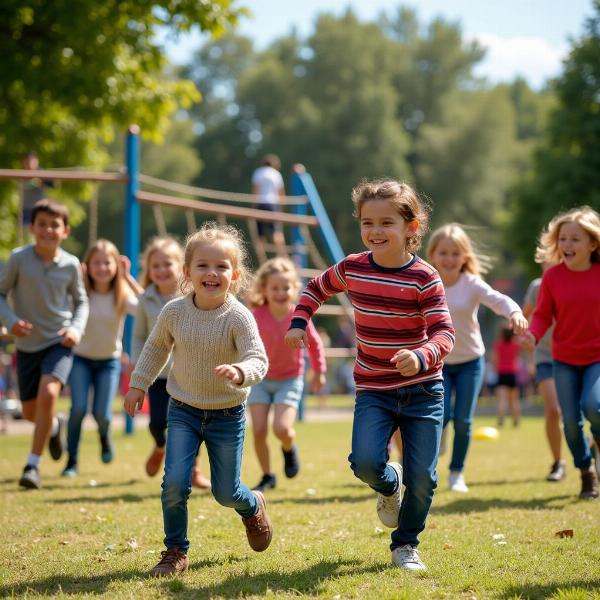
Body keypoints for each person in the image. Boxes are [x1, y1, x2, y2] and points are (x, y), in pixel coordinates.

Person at [285, 179, 455, 571]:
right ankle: (388, 485)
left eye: (386, 223)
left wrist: (422, 354)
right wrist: (299, 322)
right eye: (368, 223)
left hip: (423, 389)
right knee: (364, 462)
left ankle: (405, 545)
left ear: (411, 228)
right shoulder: (353, 268)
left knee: (424, 477)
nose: (375, 231)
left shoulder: (424, 277)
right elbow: (315, 288)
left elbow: (445, 332)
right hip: (374, 388)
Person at [124, 222, 271, 577]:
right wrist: (138, 385)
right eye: (203, 265)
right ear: (187, 272)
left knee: (225, 492)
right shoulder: (173, 311)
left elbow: (258, 358)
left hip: (227, 414)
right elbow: (155, 348)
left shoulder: (239, 316)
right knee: (174, 481)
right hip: (183, 410)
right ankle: (175, 550)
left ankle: (252, 505)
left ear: (234, 275)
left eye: (221, 266)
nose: (212, 272)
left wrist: (241, 371)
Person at [426, 224, 528, 492]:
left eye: (455, 253)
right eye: (443, 253)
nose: (449, 259)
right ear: (433, 254)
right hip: (439, 363)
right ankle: (430, 466)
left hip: (471, 360)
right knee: (440, 415)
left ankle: (456, 473)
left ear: (464, 257)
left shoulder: (471, 284)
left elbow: (499, 300)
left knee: (463, 419)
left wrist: (514, 313)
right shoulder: (426, 281)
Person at [0, 199, 89, 489]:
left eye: (55, 225)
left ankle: (32, 466)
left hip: (58, 341)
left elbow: (81, 302)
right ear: (32, 227)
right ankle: (53, 426)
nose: (48, 230)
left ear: (65, 231)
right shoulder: (18, 258)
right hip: (26, 345)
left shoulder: (71, 264)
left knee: (50, 391)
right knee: (29, 412)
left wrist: (75, 329)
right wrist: (11, 320)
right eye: (42, 224)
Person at [522, 206, 600, 500]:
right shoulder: (553, 278)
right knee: (569, 422)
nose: (567, 245)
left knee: (595, 406)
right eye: (563, 239)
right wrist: (533, 334)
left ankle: (598, 442)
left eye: (575, 239)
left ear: (592, 244)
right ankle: (586, 472)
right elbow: (542, 314)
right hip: (564, 358)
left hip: (596, 357)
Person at [132, 237, 210, 489]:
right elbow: (139, 336)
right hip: (158, 375)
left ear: (181, 267)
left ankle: (194, 470)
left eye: (168, 264)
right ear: (149, 270)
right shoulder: (146, 299)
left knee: (191, 424)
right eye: (156, 265)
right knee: (157, 422)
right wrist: (138, 367)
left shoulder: (192, 296)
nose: (162, 270)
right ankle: (159, 446)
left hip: (187, 374)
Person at [62, 240, 143, 477]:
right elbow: (61, 308)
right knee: (77, 409)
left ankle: (104, 435)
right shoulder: (80, 293)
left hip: (108, 361)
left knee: (102, 414)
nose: (102, 268)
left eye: (107, 262)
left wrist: (128, 278)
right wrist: (73, 278)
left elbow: (146, 308)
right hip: (80, 359)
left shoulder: (122, 293)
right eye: (96, 263)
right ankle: (72, 460)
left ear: (116, 266)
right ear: (87, 266)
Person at [247, 257, 326, 492]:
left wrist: (319, 372)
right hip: (260, 379)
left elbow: (315, 344)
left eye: (286, 287)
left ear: (294, 289)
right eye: (275, 288)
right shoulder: (255, 315)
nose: (281, 292)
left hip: (289, 380)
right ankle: (267, 475)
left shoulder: (298, 316)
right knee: (259, 429)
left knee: (281, 429)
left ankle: (289, 447)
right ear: (264, 289)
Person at [523, 266, 565, 481]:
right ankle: (558, 462)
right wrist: (528, 348)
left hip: (575, 353)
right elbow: (526, 318)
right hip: (545, 355)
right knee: (553, 410)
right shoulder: (537, 287)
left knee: (587, 409)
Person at [251, 154, 286, 256]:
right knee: (276, 231)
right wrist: (281, 208)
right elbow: (280, 192)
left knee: (260, 232)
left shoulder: (258, 172)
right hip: (273, 204)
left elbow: (256, 190)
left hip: (260, 203)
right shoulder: (276, 174)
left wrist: (253, 207)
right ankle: (281, 255)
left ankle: (261, 256)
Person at [493, 326, 522, 427]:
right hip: (512, 374)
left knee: (502, 399)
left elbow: (494, 360)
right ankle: (516, 420)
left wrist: (496, 368)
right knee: (514, 400)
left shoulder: (498, 345)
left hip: (502, 373)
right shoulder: (515, 345)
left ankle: (501, 420)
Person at [20, 152, 55, 227]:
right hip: (25, 209)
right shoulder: (21, 173)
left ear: (37, 162)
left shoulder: (42, 173)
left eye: (31, 161)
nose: (29, 164)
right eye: (27, 161)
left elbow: (53, 185)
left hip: (39, 209)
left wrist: (41, 181)